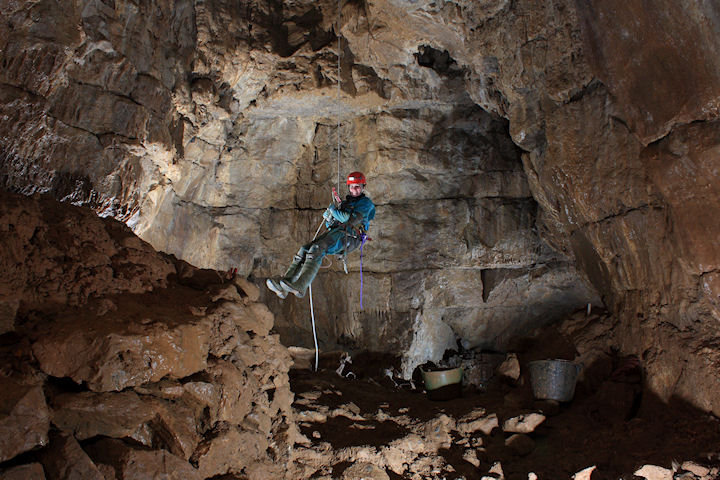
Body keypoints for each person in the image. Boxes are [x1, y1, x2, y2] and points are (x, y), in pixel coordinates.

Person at [266, 171, 376, 299]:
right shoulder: (346, 204)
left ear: (363, 187)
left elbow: (350, 220)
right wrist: (330, 218)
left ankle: (301, 286)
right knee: (305, 249)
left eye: (357, 186)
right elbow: (332, 225)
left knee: (317, 249)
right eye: (352, 186)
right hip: (339, 233)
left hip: (351, 237)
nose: (354, 190)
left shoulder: (366, 203)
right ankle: (286, 285)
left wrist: (334, 211)